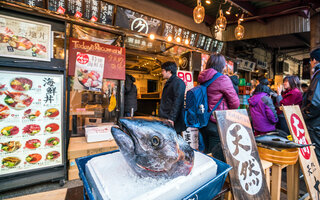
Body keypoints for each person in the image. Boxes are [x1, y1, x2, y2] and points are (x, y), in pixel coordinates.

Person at [198, 53, 240, 161]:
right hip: (216, 122)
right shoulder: (223, 79)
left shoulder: (202, 78)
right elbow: (235, 103)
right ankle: (216, 177)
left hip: (203, 121)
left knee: (206, 153)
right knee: (215, 156)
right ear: (222, 65)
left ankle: (206, 176)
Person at [302, 47, 320, 163]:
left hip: (316, 124)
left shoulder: (318, 75)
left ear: (314, 60)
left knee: (317, 155)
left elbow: (316, 102)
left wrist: (305, 114)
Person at [159, 61, 186, 134]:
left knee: (174, 142)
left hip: (172, 120)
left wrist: (171, 118)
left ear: (169, 71)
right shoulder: (169, 82)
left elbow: (177, 101)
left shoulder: (178, 82)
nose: (162, 73)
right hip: (166, 117)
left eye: (163, 70)